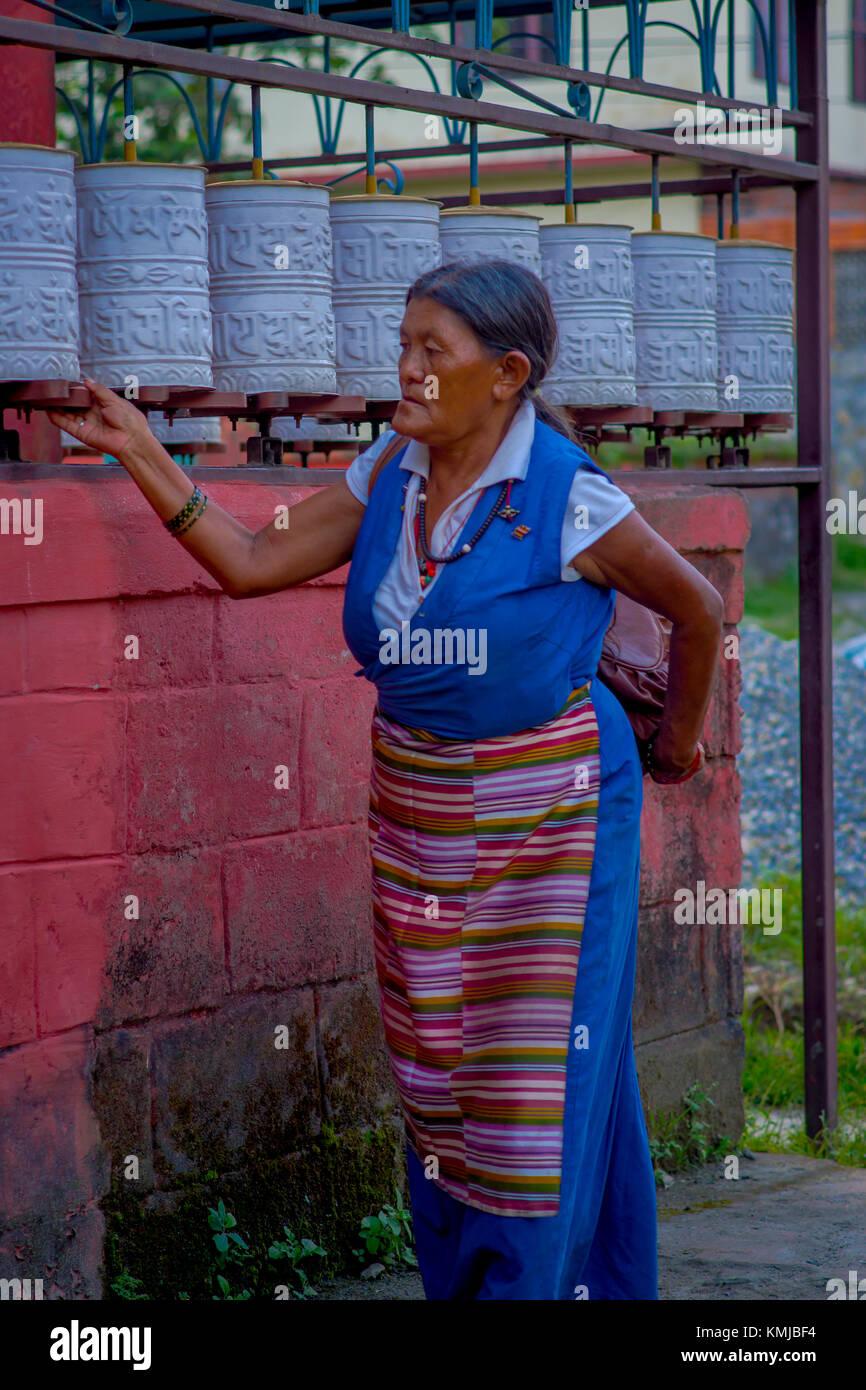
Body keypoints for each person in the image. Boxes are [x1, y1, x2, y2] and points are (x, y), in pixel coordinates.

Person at [50, 258, 723, 1301]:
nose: (402, 370)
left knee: (534, 1079)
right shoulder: (390, 474)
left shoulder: (565, 495)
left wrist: (674, 746)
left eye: (429, 352)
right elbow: (248, 560)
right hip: (416, 812)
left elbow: (695, 609)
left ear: (504, 374)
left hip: (552, 815)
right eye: (401, 343)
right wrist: (142, 449)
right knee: (442, 1072)